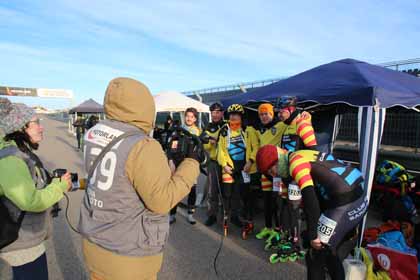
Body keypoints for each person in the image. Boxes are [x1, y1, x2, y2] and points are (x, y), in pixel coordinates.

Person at [78, 77, 202, 280]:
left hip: (94, 240)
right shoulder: (142, 145)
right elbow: (161, 201)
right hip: (128, 254)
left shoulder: (93, 133)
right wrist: (192, 162)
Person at [256, 145, 368, 280]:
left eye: (271, 170)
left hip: (347, 201)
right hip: (355, 193)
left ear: (277, 160)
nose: (273, 175)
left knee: (315, 254)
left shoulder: (295, 164)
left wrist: (313, 234)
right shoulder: (299, 155)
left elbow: (311, 201)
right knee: (328, 252)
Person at [0, 97, 72, 280]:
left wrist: (53, 182)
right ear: (20, 128)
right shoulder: (11, 159)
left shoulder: (19, 152)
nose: (41, 127)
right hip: (21, 243)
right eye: (36, 123)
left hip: (27, 240)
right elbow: (30, 201)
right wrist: (60, 186)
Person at [276, 96, 317, 243]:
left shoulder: (303, 124)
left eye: (281, 111)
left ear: (291, 109)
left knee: (294, 208)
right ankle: (286, 235)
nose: (279, 114)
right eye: (278, 111)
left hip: (297, 175)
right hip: (284, 174)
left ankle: (295, 241)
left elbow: (313, 152)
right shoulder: (286, 126)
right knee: (283, 204)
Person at [217, 104, 253, 235]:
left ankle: (238, 217)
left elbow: (255, 147)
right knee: (227, 194)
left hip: (244, 167)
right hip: (228, 167)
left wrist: (250, 162)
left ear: (241, 116)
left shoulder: (247, 130)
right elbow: (220, 150)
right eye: (231, 114)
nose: (234, 117)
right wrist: (224, 165)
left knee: (241, 194)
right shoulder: (224, 130)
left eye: (236, 114)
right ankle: (226, 217)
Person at [169, 107, 201, 225]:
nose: (189, 118)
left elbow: (201, 149)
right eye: (187, 116)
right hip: (177, 162)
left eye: (192, 116)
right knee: (174, 188)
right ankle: (172, 214)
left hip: (190, 164)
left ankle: (190, 214)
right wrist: (171, 160)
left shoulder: (198, 131)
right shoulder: (178, 130)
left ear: (195, 119)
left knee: (192, 189)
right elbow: (171, 146)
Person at [202, 102, 225, 226]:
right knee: (212, 190)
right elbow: (204, 144)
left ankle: (227, 216)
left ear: (222, 113)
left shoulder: (227, 125)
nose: (215, 115)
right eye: (213, 112)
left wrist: (219, 141)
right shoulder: (207, 127)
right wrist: (211, 142)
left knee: (227, 191)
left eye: (217, 112)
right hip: (213, 162)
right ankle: (212, 215)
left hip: (226, 163)